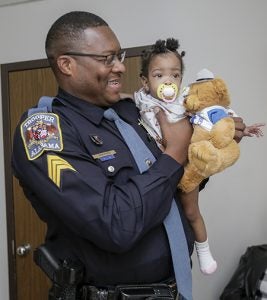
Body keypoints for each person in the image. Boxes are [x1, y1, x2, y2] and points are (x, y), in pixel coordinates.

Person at [12, 11, 247, 300]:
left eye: (119, 56)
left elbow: (170, 186)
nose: (121, 67)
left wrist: (207, 148)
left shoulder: (132, 113)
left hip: (175, 290)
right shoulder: (45, 131)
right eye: (107, 58)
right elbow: (115, 225)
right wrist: (174, 153)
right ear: (67, 64)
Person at [132, 38, 265, 275]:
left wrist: (240, 128)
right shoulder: (140, 102)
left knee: (191, 212)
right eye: (159, 75)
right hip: (157, 171)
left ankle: (204, 251)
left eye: (174, 75)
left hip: (188, 167)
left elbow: (217, 115)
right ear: (145, 80)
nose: (168, 82)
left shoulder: (186, 103)